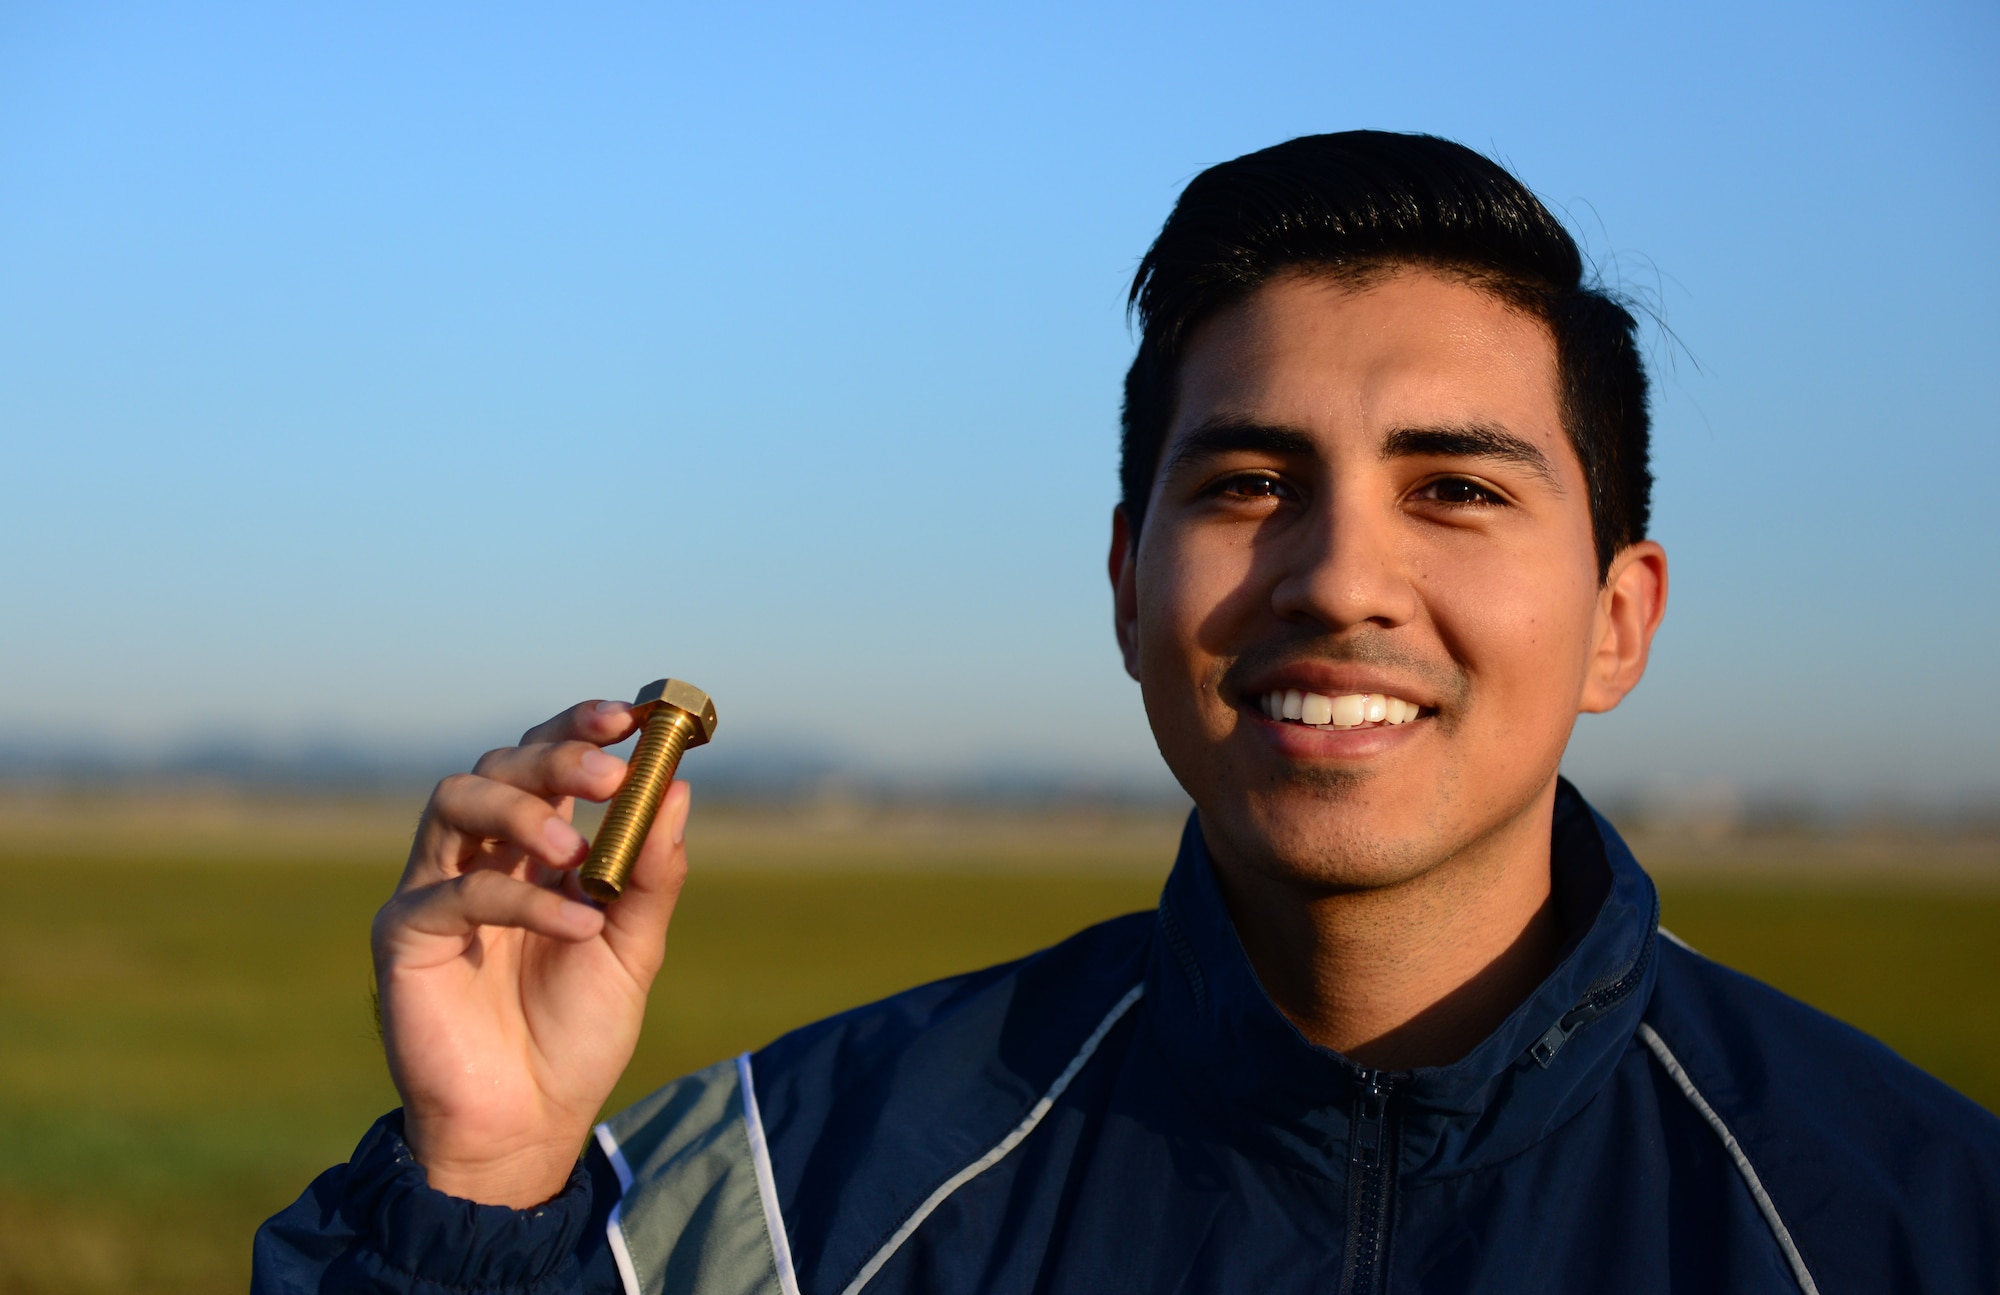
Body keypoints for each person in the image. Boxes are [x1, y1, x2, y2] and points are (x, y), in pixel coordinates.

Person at [254, 131, 2000, 1295]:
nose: (1338, 577)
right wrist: (481, 1190)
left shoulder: (1908, 1213)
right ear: (1123, 584)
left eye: (1456, 491)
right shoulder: (790, 1200)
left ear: (1620, 622)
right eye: (1250, 480)